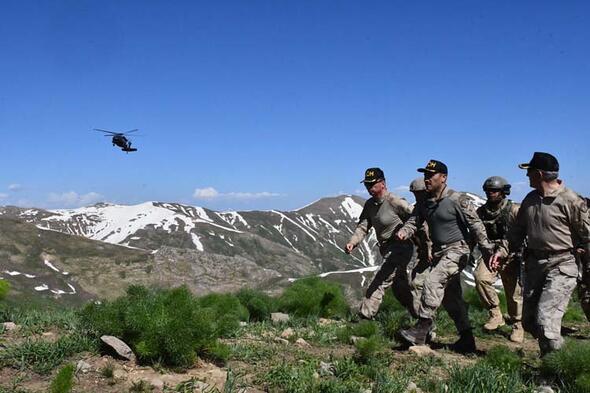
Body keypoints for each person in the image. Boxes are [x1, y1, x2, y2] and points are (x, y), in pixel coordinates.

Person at [490, 152, 590, 356]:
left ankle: (554, 370)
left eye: (529, 172)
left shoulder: (571, 200)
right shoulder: (530, 199)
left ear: (539, 173)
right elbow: (516, 232)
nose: (526, 176)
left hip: (562, 264)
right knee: (529, 321)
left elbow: (588, 235)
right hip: (534, 265)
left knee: (546, 320)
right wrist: (501, 251)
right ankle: (559, 351)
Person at [396, 160, 494, 353]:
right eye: (425, 176)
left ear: (443, 177)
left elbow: (475, 225)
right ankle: (467, 339)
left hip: (458, 251)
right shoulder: (424, 203)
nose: (427, 179)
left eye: (431, 175)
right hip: (440, 253)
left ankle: (421, 330)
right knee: (451, 299)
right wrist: (404, 232)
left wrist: (487, 250)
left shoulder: (456, 199)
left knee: (433, 282)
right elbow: (414, 221)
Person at [344, 168, 416, 319]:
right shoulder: (370, 205)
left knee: (379, 280)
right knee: (400, 289)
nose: (369, 188)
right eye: (366, 185)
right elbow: (363, 226)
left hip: (401, 247)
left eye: (372, 184)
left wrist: (408, 234)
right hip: (386, 248)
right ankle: (422, 319)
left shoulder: (394, 201)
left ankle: (364, 317)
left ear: (382, 183)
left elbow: (416, 217)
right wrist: (353, 242)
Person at [474, 176, 524, 343]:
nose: (490, 194)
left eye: (494, 191)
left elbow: (523, 232)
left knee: (514, 293)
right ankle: (495, 314)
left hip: (511, 255)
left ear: (503, 192)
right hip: (490, 254)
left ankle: (517, 324)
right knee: (480, 278)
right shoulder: (481, 212)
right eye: (488, 191)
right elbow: (475, 233)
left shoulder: (514, 210)